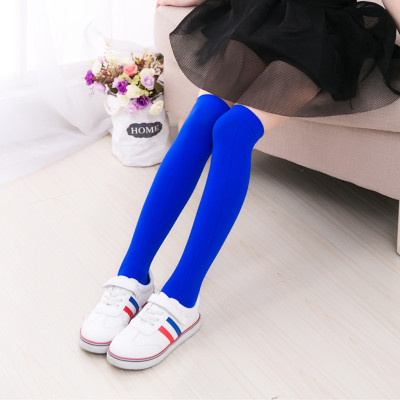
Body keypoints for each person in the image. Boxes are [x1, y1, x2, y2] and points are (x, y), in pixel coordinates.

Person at [80, 0, 400, 370]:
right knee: (202, 120)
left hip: (323, 33)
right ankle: (132, 274)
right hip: (263, 14)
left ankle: (183, 297)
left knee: (233, 131)